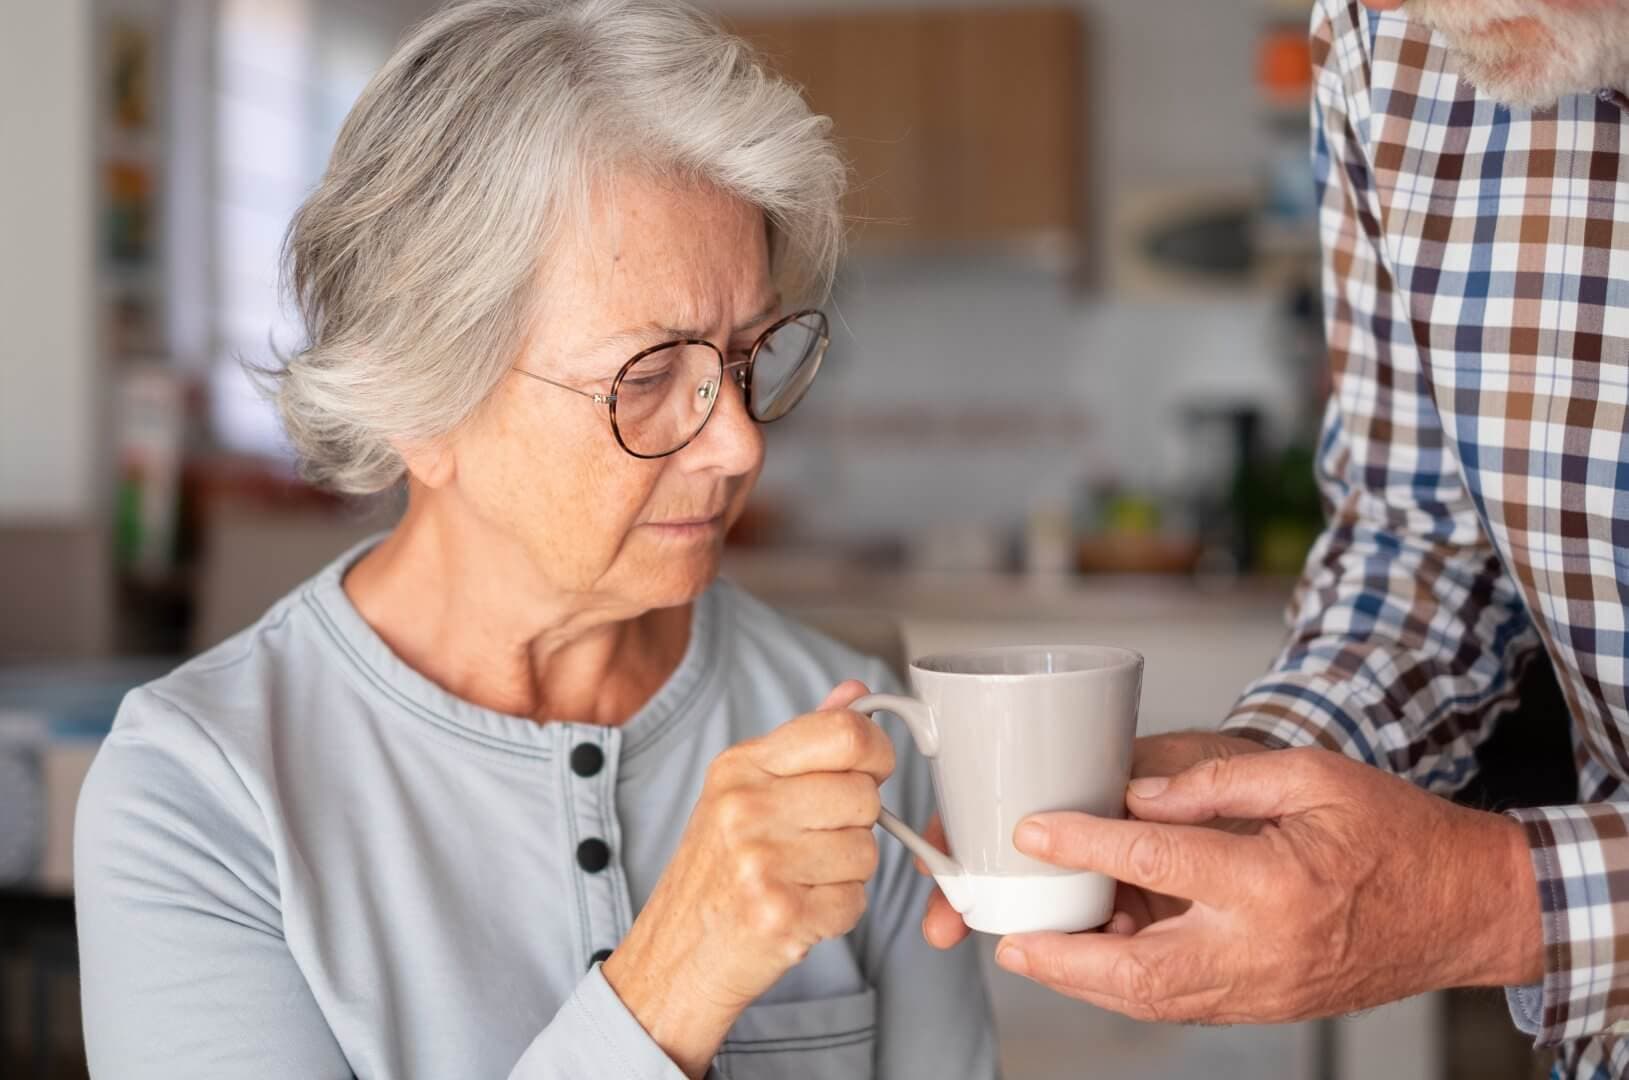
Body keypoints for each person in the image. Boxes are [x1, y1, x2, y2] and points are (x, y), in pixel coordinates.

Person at [73, 2, 996, 1077]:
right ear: (422, 404)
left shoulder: (854, 728)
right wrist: (673, 983)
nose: (739, 442)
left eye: (747, 355)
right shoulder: (200, 797)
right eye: (647, 378)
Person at [923, 0, 1629, 1075]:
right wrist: (1253, 783)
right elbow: (1416, 544)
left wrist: (1493, 903)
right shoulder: (1385, 43)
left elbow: (1494, 901)